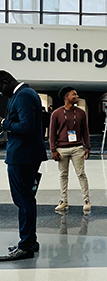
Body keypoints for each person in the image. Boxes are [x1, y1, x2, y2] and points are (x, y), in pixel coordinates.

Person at [0, 71, 47, 261]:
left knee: (23, 200)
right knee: (26, 199)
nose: (1, 93)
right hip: (25, 154)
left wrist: (5, 123)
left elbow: (26, 127)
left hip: (22, 156)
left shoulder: (24, 96)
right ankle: (30, 241)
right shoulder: (26, 94)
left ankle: (26, 245)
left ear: (5, 82)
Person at [50, 86, 92, 212]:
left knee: (81, 174)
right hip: (61, 149)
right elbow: (52, 132)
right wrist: (53, 149)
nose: (76, 96)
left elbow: (85, 130)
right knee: (63, 175)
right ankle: (64, 201)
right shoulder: (56, 113)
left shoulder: (81, 113)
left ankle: (86, 200)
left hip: (77, 148)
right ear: (66, 97)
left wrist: (87, 146)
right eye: (74, 94)